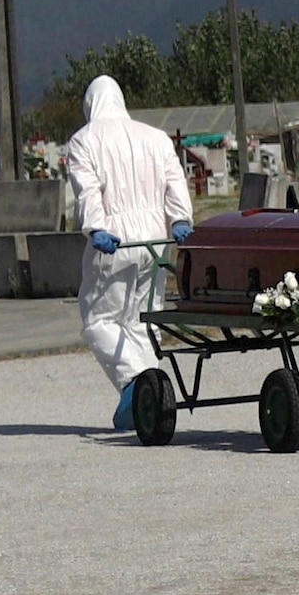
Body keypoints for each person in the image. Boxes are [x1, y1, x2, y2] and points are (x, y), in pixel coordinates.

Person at [63, 73, 197, 432]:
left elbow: (88, 192)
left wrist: (96, 228)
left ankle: (139, 387)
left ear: (90, 104)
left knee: (100, 319)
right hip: (155, 241)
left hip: (115, 242)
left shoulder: (83, 141)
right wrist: (180, 220)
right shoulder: (155, 137)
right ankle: (150, 393)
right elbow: (174, 181)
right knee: (142, 319)